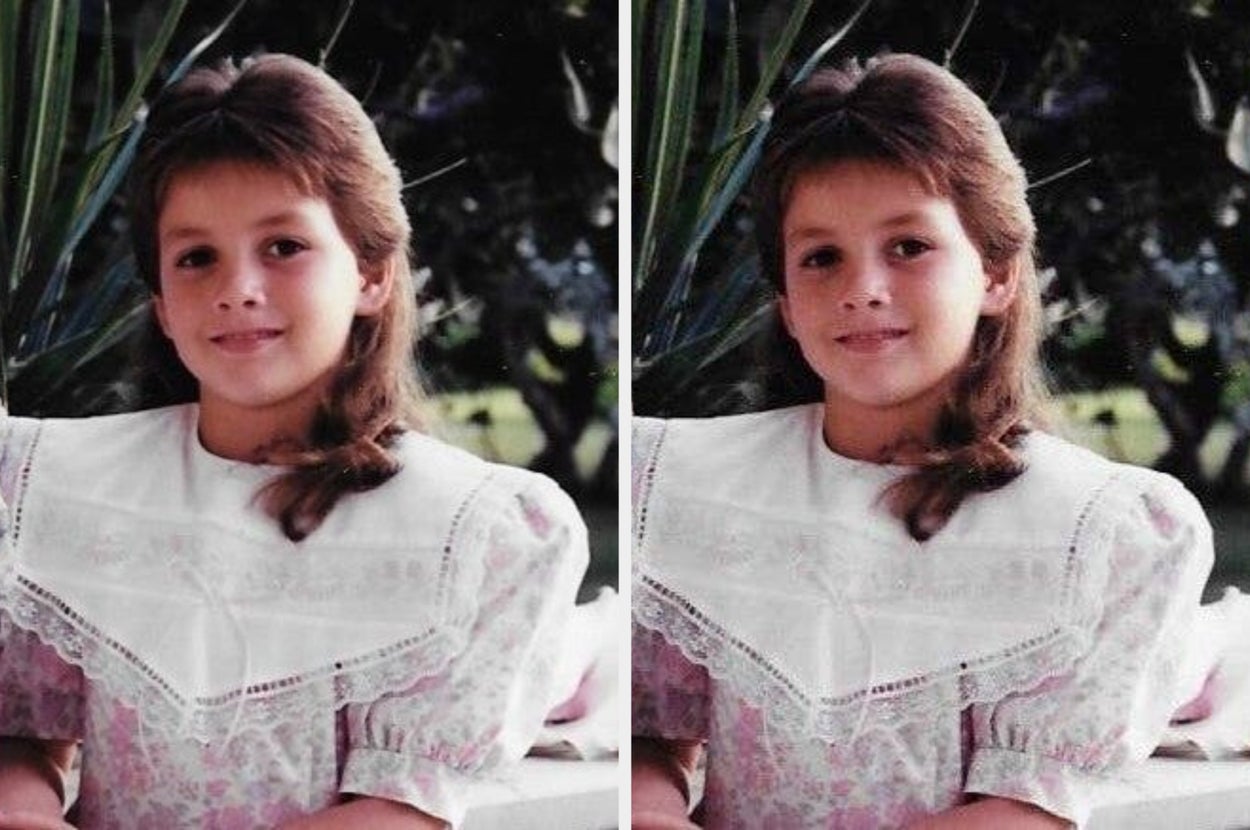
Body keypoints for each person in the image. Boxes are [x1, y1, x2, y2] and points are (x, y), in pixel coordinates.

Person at [0, 54, 587, 829]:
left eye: (283, 247)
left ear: (372, 275)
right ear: (163, 307)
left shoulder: (477, 533)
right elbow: (26, 735)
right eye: (195, 257)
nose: (236, 287)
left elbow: (399, 808)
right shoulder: (52, 486)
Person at [631, 53, 1213, 829]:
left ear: (998, 274)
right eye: (820, 257)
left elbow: (1024, 809)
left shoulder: (1099, 533)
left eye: (908, 246)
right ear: (787, 303)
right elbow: (652, 743)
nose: (861, 287)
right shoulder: (684, 483)